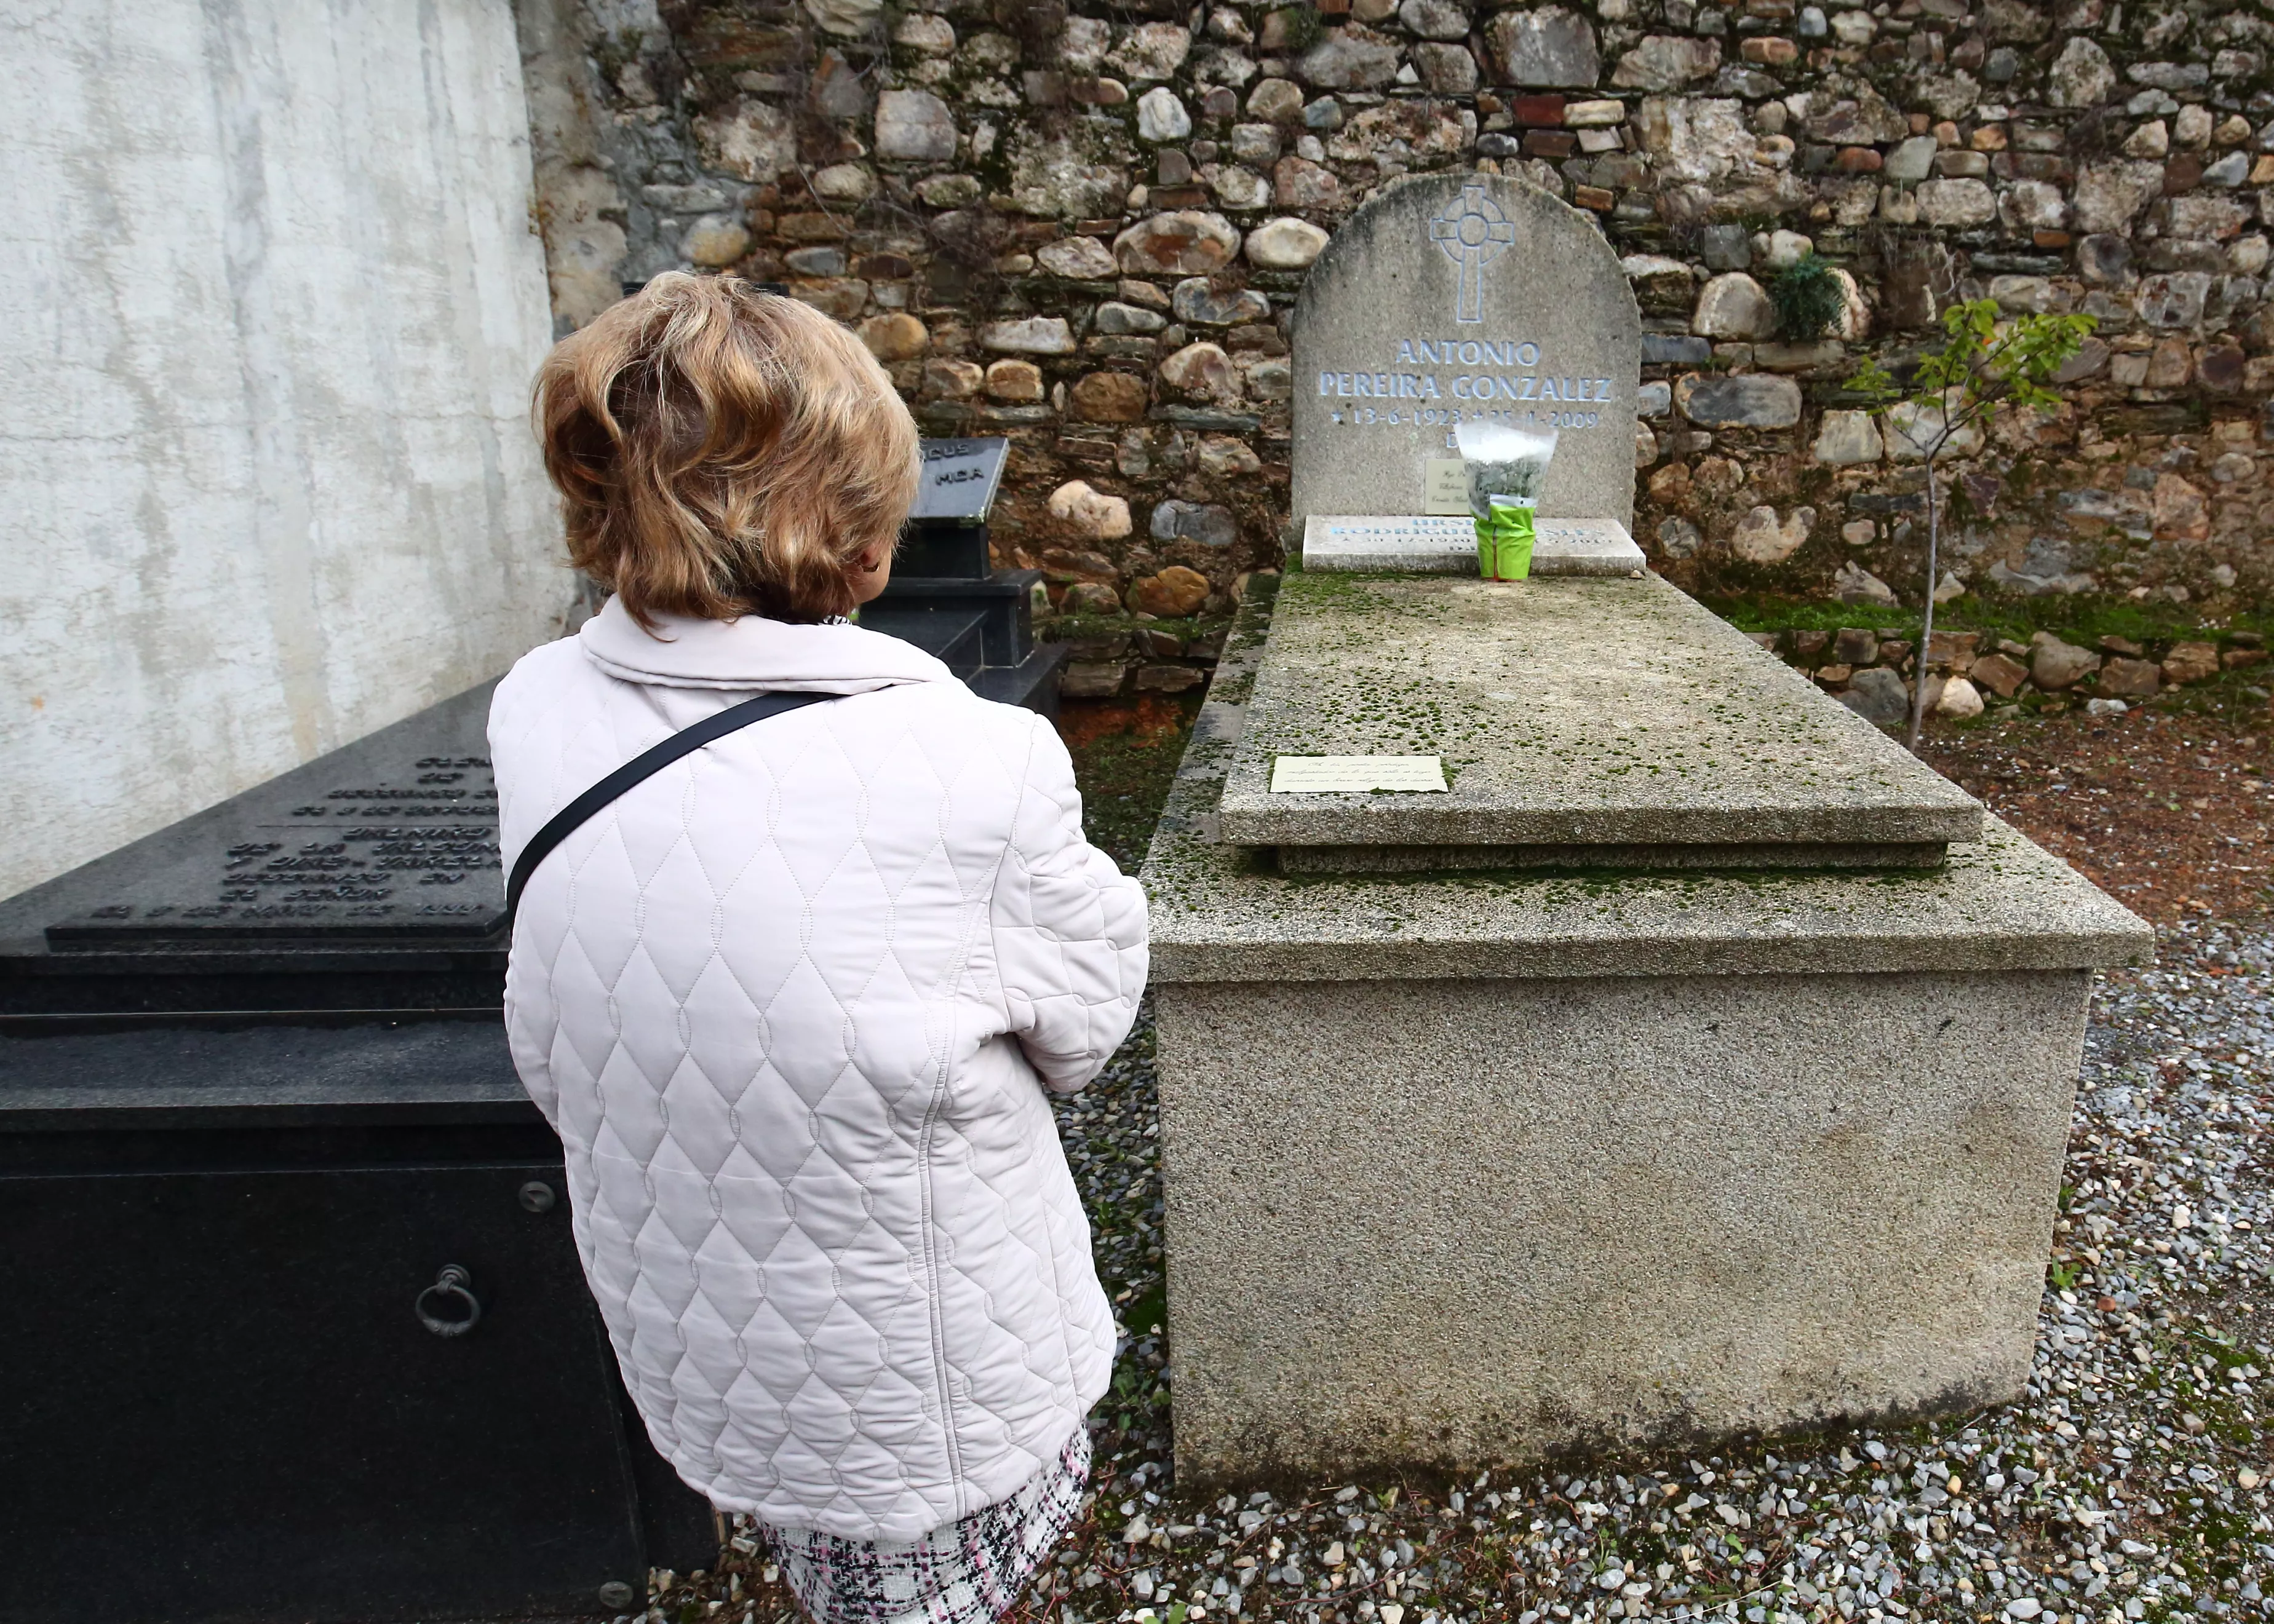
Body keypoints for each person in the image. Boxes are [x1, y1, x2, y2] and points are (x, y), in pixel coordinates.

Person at [490, 272, 1148, 1624]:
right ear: (860, 535)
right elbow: (1086, 1024)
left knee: (824, 1568)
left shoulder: (539, 708)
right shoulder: (969, 760)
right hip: (919, 1357)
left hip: (696, 1321)